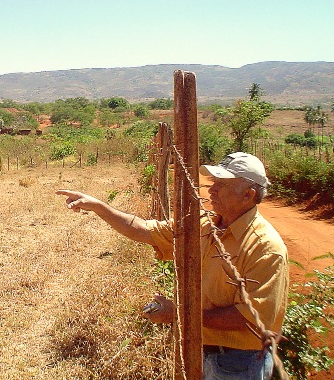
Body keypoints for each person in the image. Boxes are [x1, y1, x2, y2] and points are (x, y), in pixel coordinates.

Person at [56, 152, 289, 380]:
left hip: (239, 362)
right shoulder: (204, 224)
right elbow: (144, 230)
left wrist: (180, 314)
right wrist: (98, 206)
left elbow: (250, 319)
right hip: (200, 349)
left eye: (222, 184)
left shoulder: (265, 247)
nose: (212, 189)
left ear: (248, 195)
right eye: (214, 181)